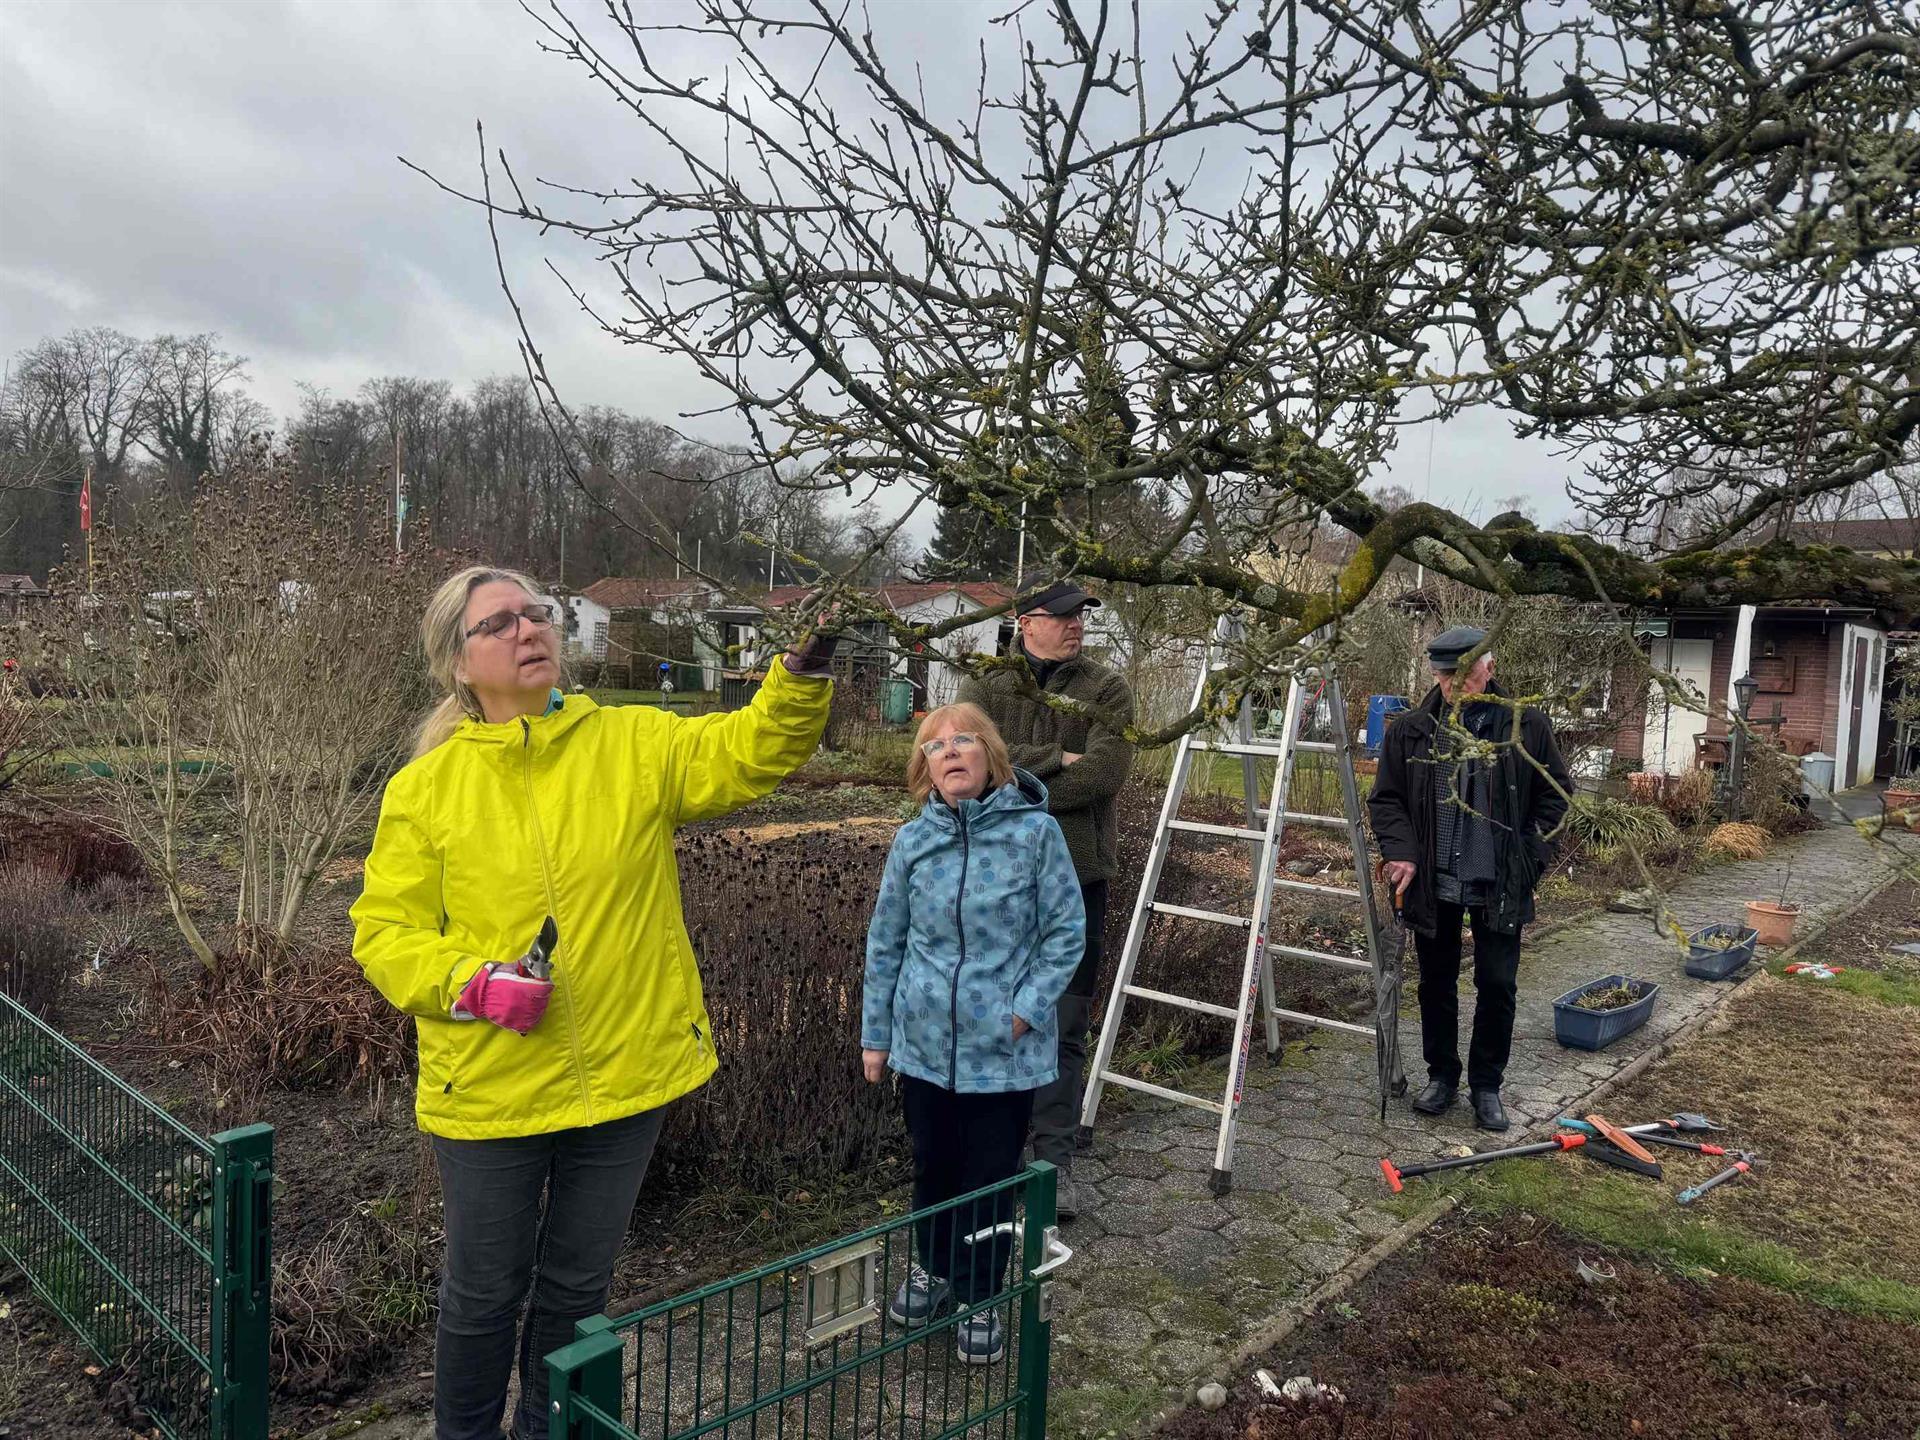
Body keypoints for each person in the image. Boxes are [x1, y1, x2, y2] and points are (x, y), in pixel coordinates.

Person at [351, 565, 834, 1440]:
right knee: (483, 1293)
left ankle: (551, 1431)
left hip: (625, 1075)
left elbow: (749, 750)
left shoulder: (631, 743)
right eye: (499, 623)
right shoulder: (425, 790)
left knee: (578, 1290)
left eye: (536, 614)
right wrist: (473, 983)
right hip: (491, 1088)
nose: (528, 629)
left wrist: (799, 670)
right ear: (458, 663)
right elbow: (385, 933)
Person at [860, 702, 1083, 1365]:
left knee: (989, 1177)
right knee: (933, 1165)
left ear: (991, 755)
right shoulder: (912, 842)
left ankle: (981, 1293)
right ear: (925, 768)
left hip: (1003, 1052)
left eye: (964, 740)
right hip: (924, 1047)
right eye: (936, 746)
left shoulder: (1036, 834)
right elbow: (886, 942)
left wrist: (1025, 1009)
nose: (951, 752)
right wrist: (877, 1036)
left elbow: (1066, 931)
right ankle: (933, 1268)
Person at [957, 573, 1134, 1220]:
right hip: (996, 883)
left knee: (1062, 1024)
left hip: (1077, 880)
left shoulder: (1106, 689)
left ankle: (1053, 1168)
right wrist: (1059, 755)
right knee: (996, 1018)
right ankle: (994, 1160)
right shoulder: (985, 686)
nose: (1076, 623)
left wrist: (1014, 774)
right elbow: (965, 769)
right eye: (1062, 615)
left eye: (1080, 614)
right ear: (1026, 621)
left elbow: (1106, 773)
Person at [1366, 625, 1572, 1132]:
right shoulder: (1411, 730)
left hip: (1497, 879)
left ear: (1489, 668)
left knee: (1497, 984)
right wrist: (1402, 852)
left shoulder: (1526, 726)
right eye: (1444, 677)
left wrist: (1527, 858)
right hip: (1435, 880)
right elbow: (1387, 799)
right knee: (1435, 983)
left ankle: (1486, 1086)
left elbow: (1555, 796)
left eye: (1465, 675)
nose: (1454, 686)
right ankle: (1442, 1076)